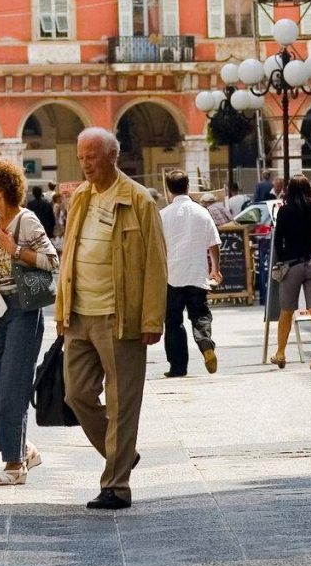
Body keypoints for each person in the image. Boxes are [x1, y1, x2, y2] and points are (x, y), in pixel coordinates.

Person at [54, 126, 166, 511]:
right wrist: (61, 308)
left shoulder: (137, 200)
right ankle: (121, 453)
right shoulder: (80, 197)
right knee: (77, 393)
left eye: (92, 157)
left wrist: (153, 318)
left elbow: (155, 261)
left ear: (112, 157)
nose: (85, 164)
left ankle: (116, 485)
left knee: (122, 403)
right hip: (79, 313)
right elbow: (69, 253)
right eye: (81, 157)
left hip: (121, 315)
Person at [0, 159, 57, 486]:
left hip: (24, 310)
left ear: (3, 189)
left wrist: (17, 249)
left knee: (12, 388)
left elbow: (52, 261)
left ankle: (14, 465)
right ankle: (22, 448)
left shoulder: (27, 220)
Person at [157, 171, 222, 377]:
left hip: (172, 275)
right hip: (196, 274)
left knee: (173, 322)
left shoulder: (163, 215)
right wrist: (215, 268)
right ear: (187, 186)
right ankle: (205, 343)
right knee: (200, 314)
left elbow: (157, 248)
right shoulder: (202, 212)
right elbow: (214, 243)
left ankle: (178, 367)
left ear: (168, 190)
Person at [267, 176, 311, 370]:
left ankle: (280, 353)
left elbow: (278, 240)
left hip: (293, 265)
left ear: (289, 190)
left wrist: (282, 260)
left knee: (286, 311)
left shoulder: (285, 211)